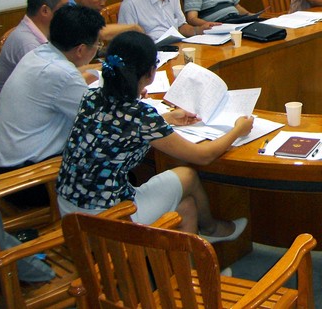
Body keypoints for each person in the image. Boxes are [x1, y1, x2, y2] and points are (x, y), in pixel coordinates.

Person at [56, 31, 253, 240]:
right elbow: (202, 156)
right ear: (150, 73)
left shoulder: (90, 96)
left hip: (69, 209)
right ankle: (211, 229)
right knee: (187, 175)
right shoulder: (140, 116)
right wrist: (237, 131)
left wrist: (166, 118)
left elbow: (119, 125)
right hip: (109, 217)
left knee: (186, 206)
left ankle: (194, 255)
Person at [0, 5, 105, 207]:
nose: (98, 48)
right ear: (81, 49)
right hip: (26, 181)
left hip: (0, 167)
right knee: (115, 164)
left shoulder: (38, 54)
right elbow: (99, 120)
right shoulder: (62, 74)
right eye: (97, 44)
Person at [0, 0, 69, 109]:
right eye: (64, 8)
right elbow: (52, 86)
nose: (68, 13)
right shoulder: (28, 44)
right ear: (45, 10)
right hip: (16, 113)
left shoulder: (43, 32)